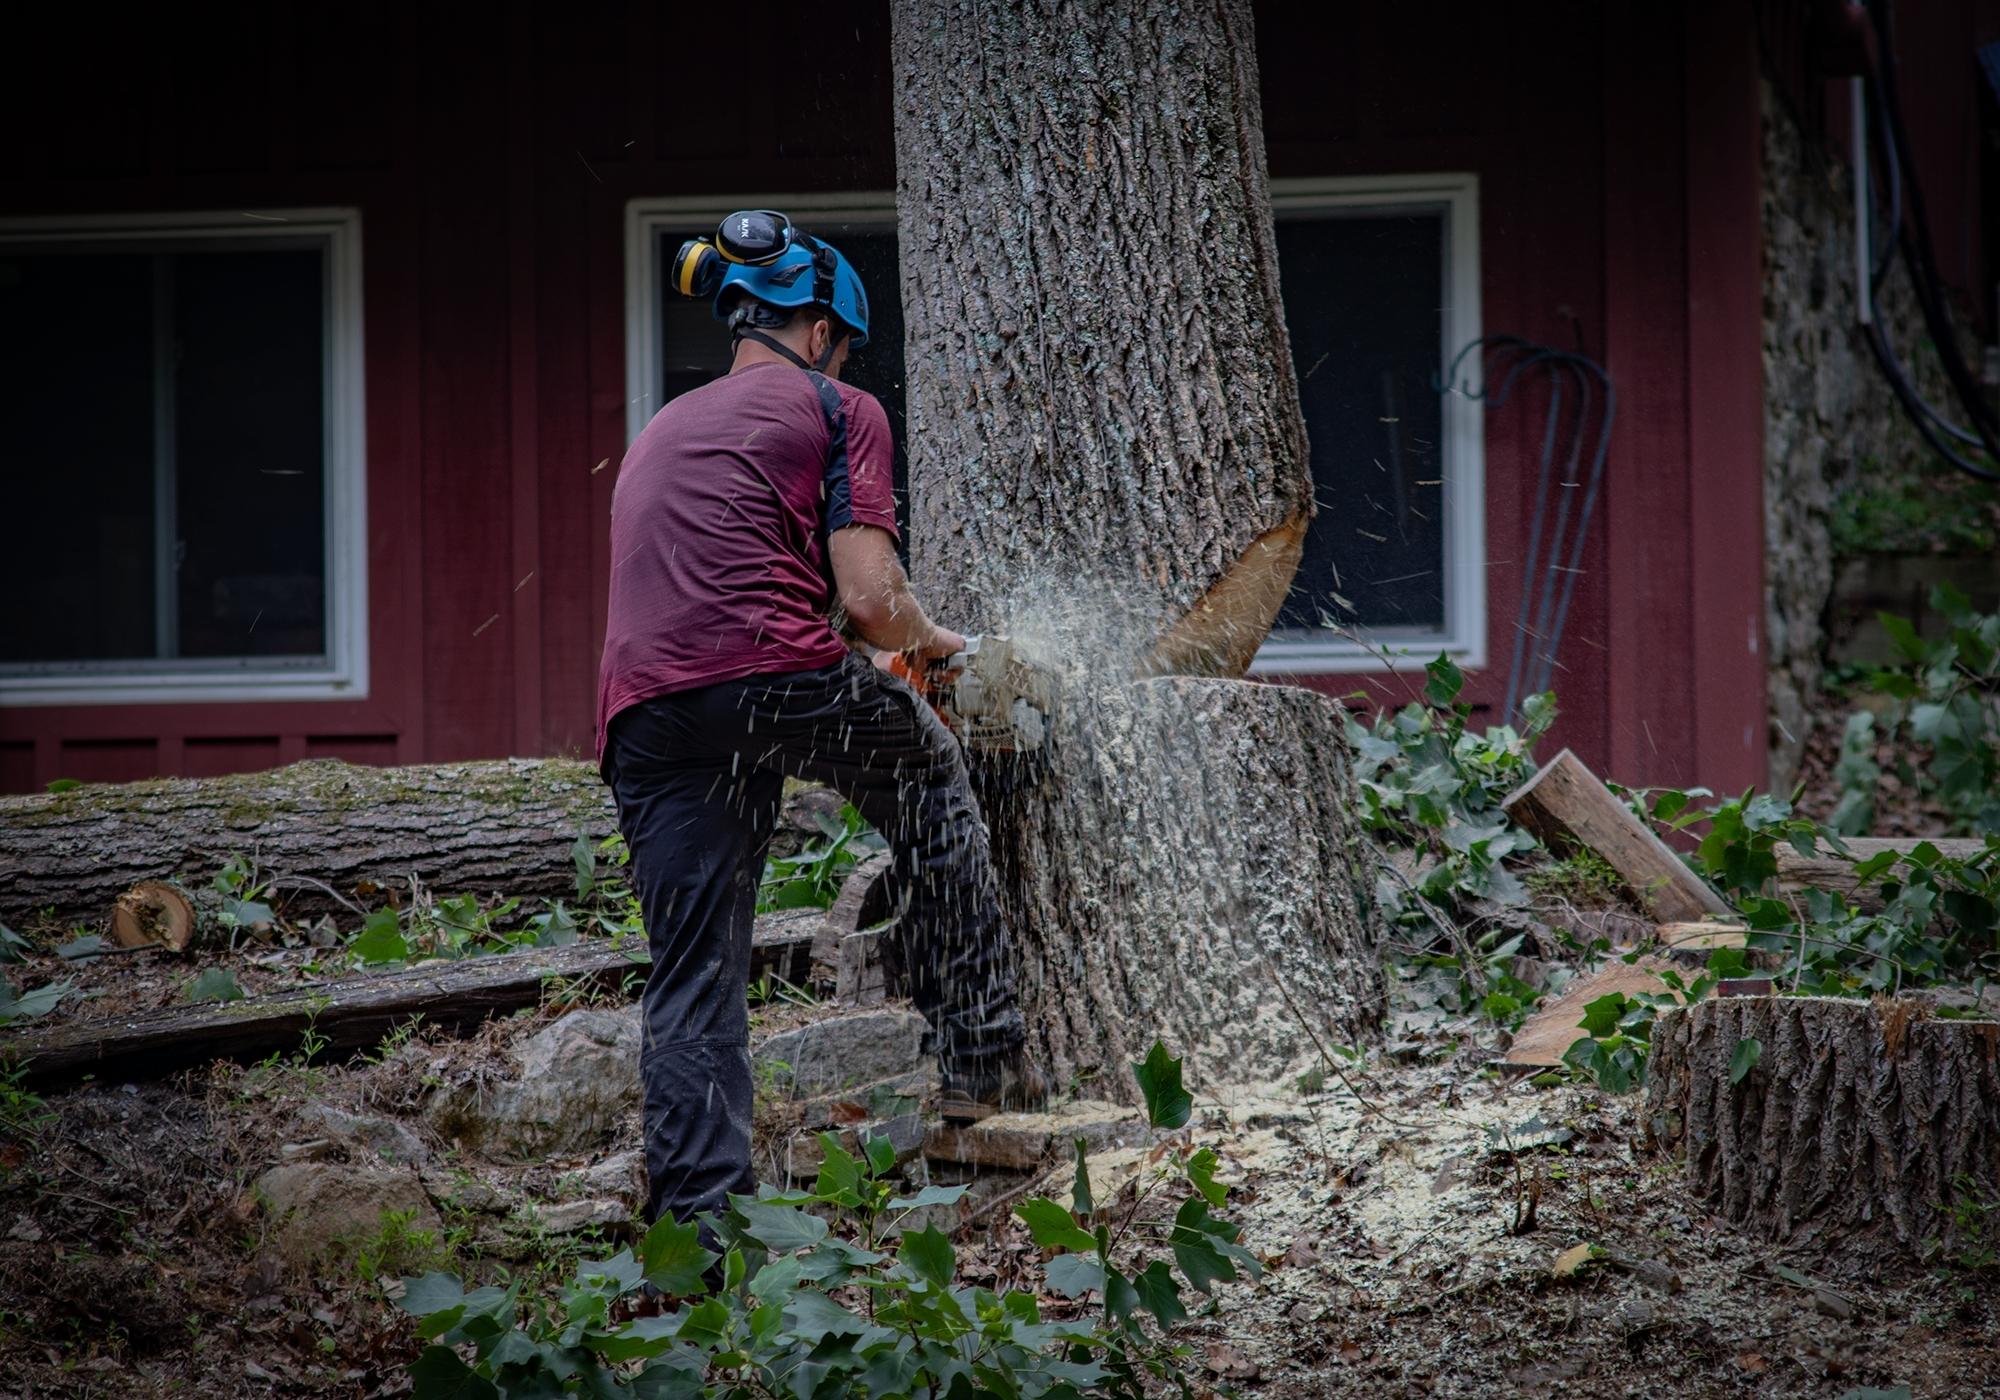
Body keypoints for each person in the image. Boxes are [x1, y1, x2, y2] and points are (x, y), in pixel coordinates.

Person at [595, 219, 1046, 1232]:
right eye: (842, 344)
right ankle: (979, 1056)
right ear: (820, 330)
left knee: (695, 973)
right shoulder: (838, 404)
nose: (843, 360)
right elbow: (875, 602)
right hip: (768, 673)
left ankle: (696, 1245)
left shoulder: (660, 427)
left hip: (646, 711)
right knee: (928, 774)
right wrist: (944, 651)